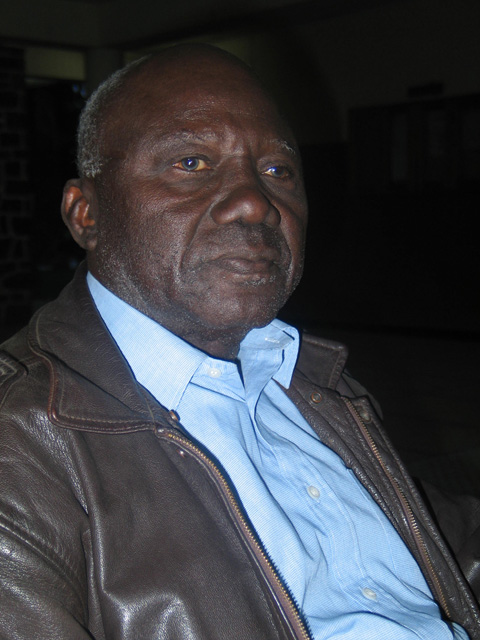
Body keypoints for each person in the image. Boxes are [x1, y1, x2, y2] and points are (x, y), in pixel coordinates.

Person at [0, 44, 478, 640]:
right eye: (192, 163)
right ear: (86, 214)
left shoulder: (313, 384)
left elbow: (441, 541)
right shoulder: (21, 445)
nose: (256, 202)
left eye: (278, 171)